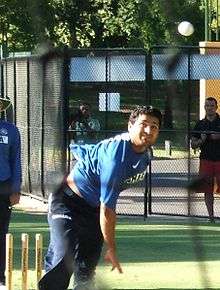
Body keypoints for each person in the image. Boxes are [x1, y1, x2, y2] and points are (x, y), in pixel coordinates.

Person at [38, 105, 162, 290]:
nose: (148, 130)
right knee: (64, 256)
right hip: (67, 202)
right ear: (130, 126)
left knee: (86, 267)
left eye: (154, 126)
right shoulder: (116, 157)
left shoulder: (145, 154)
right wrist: (111, 247)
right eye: (144, 124)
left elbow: (89, 151)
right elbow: (108, 209)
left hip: (93, 208)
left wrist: (83, 152)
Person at [0, 98, 22, 289]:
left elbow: (16, 161)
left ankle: (0, 276)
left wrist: (16, 189)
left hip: (3, 184)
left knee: (1, 232)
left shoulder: (11, 130)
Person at [191, 97, 220, 223]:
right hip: (206, 160)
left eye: (212, 105)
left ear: (216, 107)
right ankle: (211, 217)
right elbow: (193, 144)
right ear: (204, 107)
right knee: (208, 190)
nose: (210, 108)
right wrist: (201, 140)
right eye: (207, 105)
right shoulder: (200, 124)